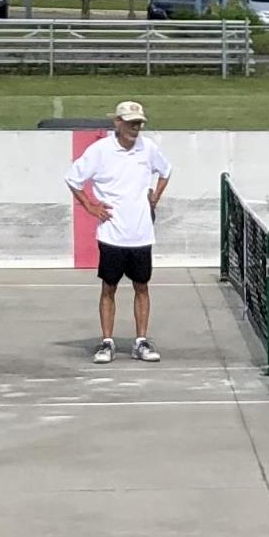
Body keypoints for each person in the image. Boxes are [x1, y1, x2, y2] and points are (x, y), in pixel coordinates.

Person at [68, 100, 171, 364]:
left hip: (141, 235)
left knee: (142, 287)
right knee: (108, 289)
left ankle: (141, 341)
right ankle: (107, 342)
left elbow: (165, 171)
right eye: (131, 123)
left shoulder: (148, 149)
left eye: (139, 124)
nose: (135, 128)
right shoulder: (100, 151)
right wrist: (90, 206)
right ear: (118, 123)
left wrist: (154, 198)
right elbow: (73, 179)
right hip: (112, 235)